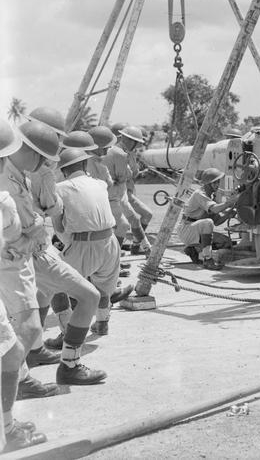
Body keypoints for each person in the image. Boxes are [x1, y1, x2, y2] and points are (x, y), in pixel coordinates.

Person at [0, 120, 62, 400]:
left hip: (21, 260)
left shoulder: (15, 178)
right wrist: (30, 232)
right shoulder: (5, 191)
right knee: (27, 329)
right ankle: (13, 391)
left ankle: (20, 380)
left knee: (21, 329)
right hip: (13, 263)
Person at [0, 119, 48, 451]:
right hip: (12, 266)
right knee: (15, 349)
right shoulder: (3, 198)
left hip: (17, 261)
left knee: (16, 348)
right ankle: (7, 430)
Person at [52, 147, 123, 361]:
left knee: (56, 285)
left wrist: (69, 245)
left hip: (83, 243)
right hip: (110, 241)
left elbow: (58, 226)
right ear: (84, 165)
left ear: (63, 171)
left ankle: (67, 333)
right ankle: (102, 323)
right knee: (103, 285)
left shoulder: (60, 189)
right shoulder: (100, 184)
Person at [178, 168, 238, 270]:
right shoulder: (199, 194)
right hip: (187, 229)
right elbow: (214, 210)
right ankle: (207, 260)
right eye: (215, 182)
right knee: (208, 223)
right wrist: (230, 202)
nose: (218, 185)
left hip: (196, 229)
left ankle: (195, 250)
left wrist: (228, 214)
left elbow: (217, 221)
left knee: (227, 243)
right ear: (208, 183)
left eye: (218, 182)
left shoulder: (211, 197)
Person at [104, 125, 150, 255]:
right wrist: (130, 169)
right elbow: (125, 175)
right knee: (122, 225)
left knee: (133, 219)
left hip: (120, 193)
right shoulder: (120, 154)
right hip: (113, 194)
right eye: (137, 143)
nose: (138, 147)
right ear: (131, 141)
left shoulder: (122, 152)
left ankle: (147, 249)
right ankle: (114, 258)